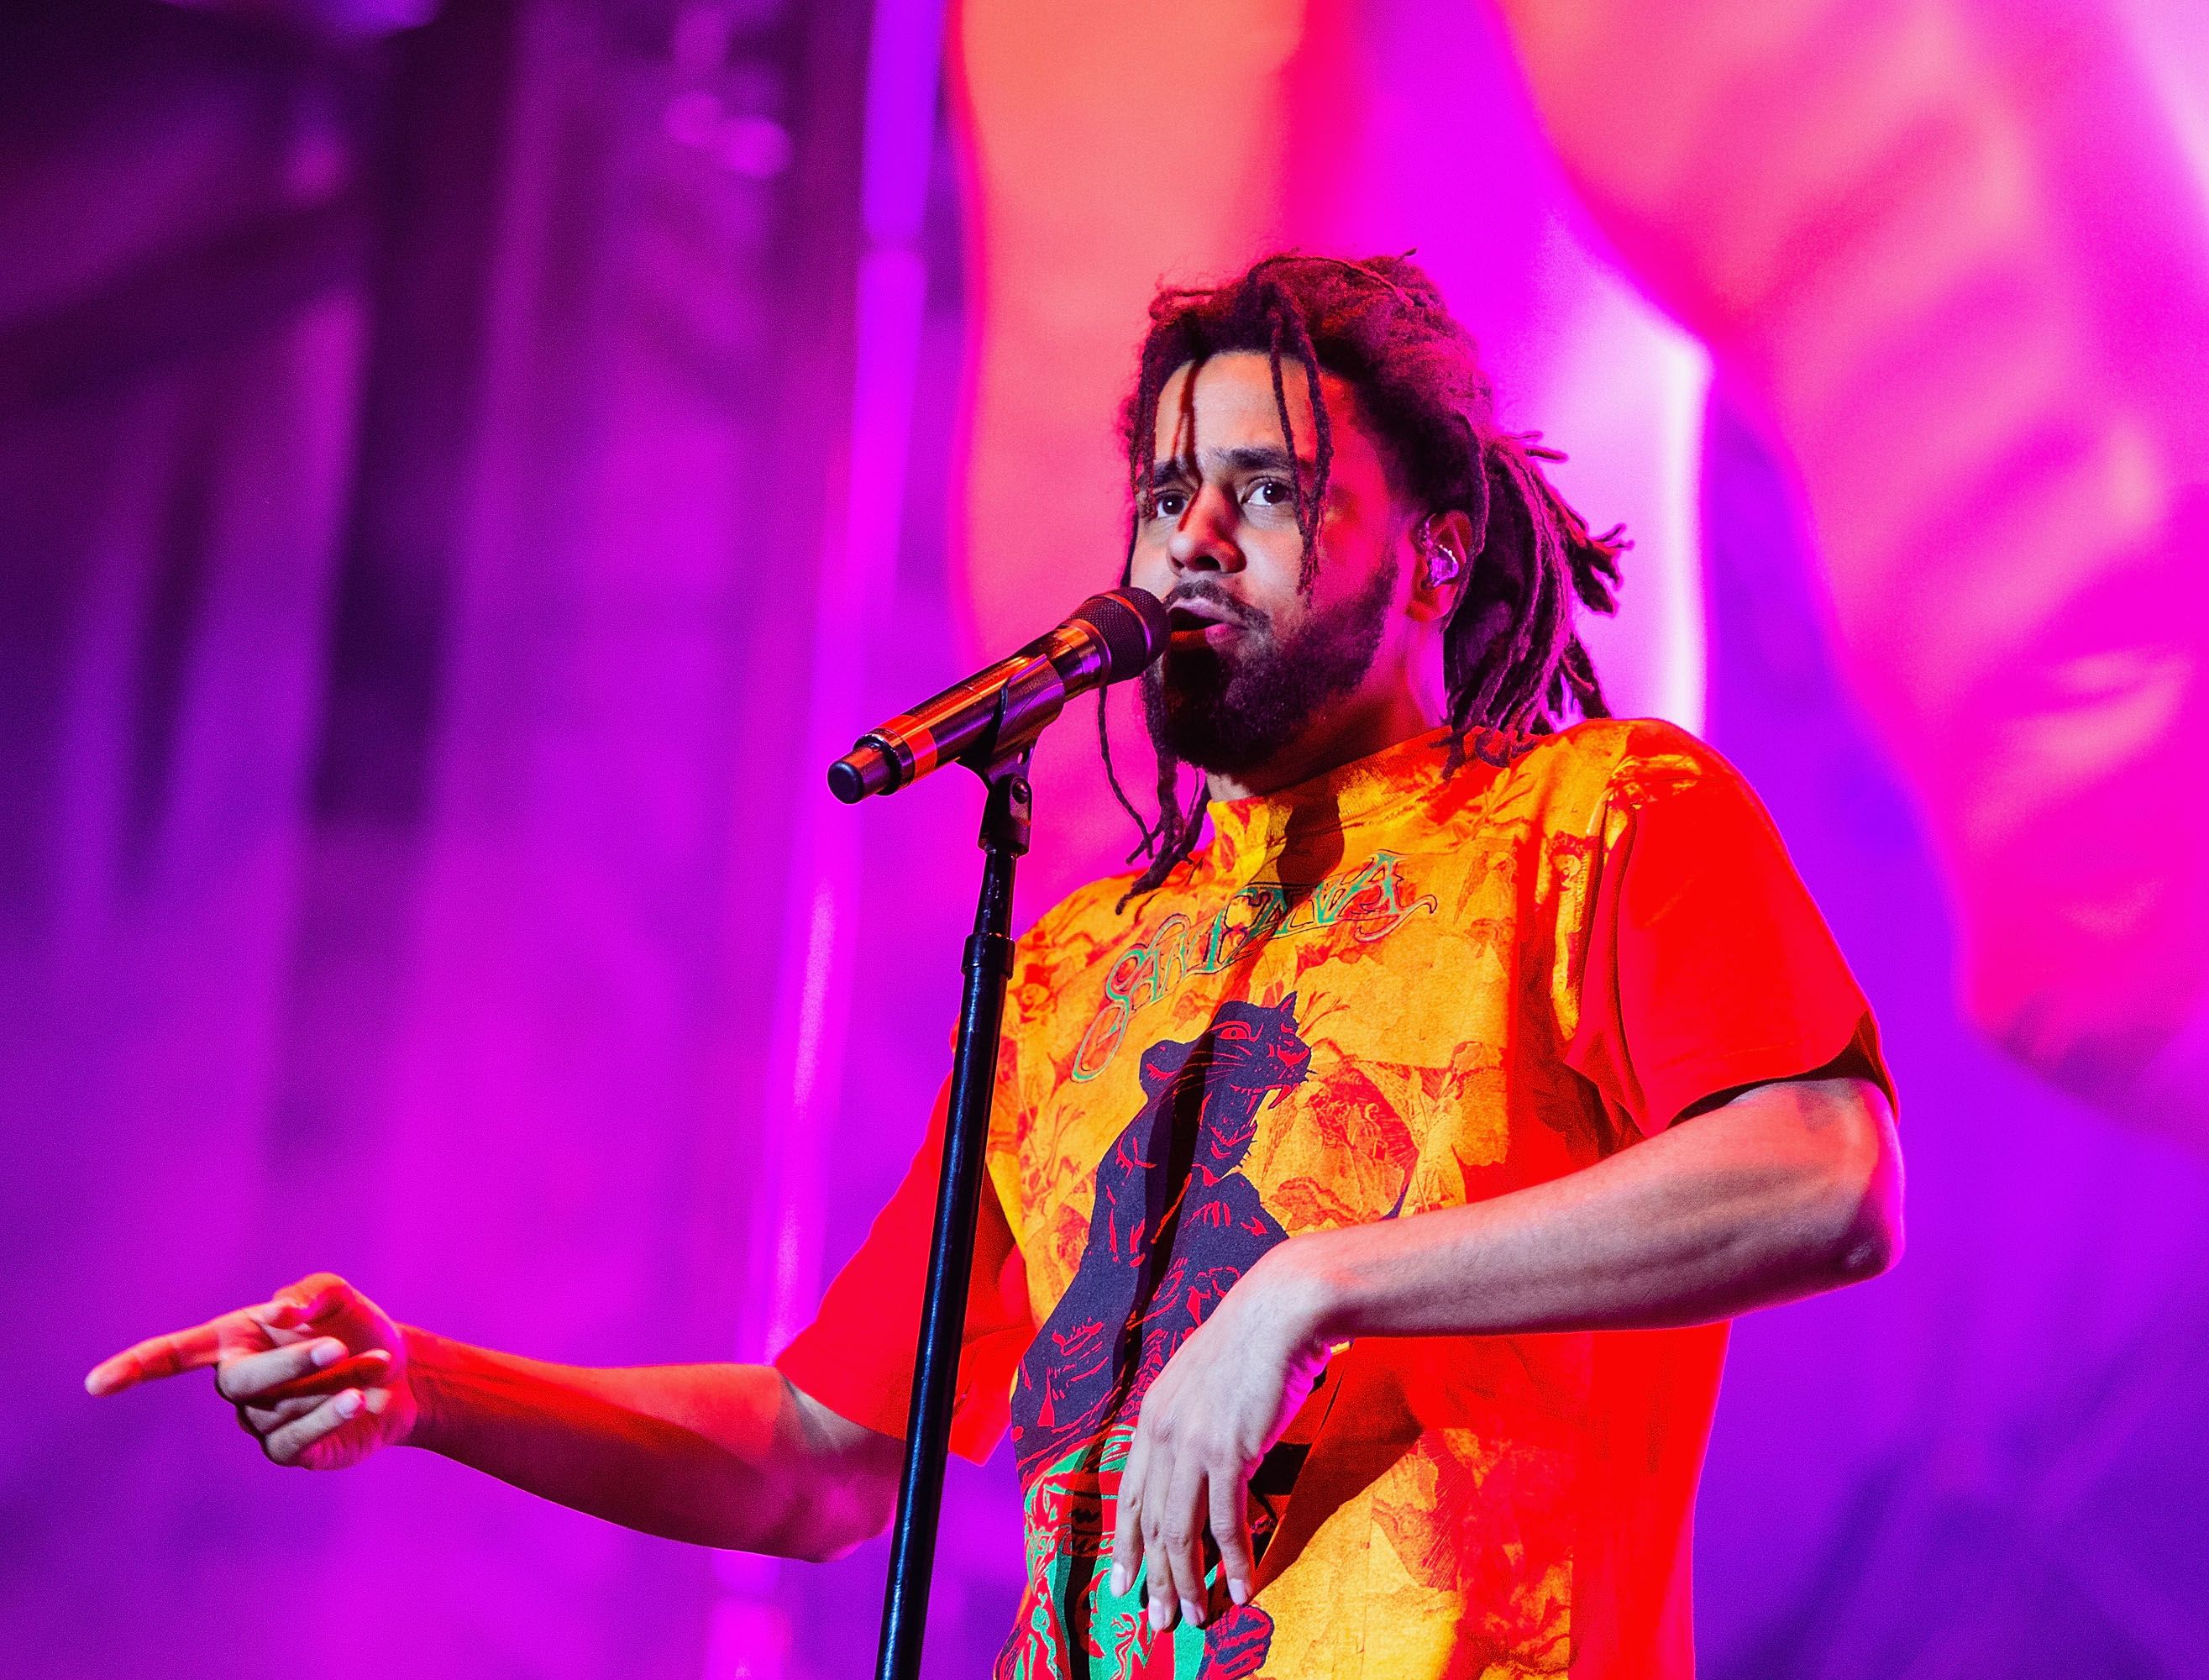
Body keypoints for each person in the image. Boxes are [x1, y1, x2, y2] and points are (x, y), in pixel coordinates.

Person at [88, 253, 1902, 1679]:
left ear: (1431, 555)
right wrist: (431, 1386)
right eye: (1167, 487)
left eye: (1266, 492)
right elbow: (817, 1453)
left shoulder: (1598, 815)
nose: (1193, 532)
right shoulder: (1074, 971)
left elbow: (1828, 1176)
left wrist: (1309, 1287)